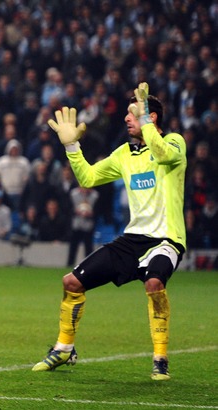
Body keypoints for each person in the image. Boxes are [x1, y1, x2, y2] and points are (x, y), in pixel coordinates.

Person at [32, 83, 186, 381]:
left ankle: (160, 358)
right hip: (133, 238)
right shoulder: (124, 154)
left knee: (154, 282)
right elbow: (88, 178)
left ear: (152, 118)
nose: (127, 119)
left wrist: (145, 122)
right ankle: (64, 348)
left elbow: (163, 154)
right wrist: (72, 147)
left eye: (134, 113)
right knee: (72, 281)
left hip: (166, 238)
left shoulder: (175, 142)